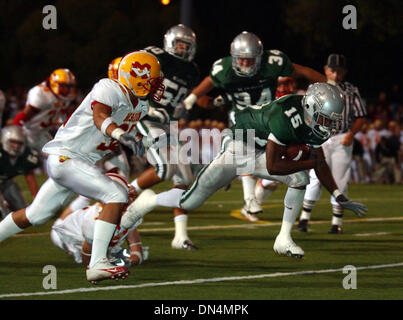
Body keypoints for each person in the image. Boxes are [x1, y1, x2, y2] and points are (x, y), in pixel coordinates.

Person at [123, 83, 367, 258]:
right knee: (191, 201)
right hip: (240, 145)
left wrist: (338, 195)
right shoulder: (286, 117)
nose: (329, 125)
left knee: (299, 178)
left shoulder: (308, 118)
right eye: (325, 119)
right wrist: (309, 162)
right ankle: (149, 200)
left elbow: (320, 161)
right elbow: (274, 165)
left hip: (260, 149)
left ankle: (283, 239)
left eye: (331, 120)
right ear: (312, 109)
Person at [0, 51, 164, 283]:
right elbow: (100, 116)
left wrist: (142, 142)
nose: (156, 86)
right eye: (153, 80)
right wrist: (120, 134)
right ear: (136, 76)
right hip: (68, 157)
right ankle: (97, 263)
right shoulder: (110, 87)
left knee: (35, 214)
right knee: (115, 194)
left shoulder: (141, 106)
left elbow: (129, 129)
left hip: (77, 162)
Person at [175, 31, 327, 223]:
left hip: (266, 118)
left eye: (250, 59)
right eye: (241, 59)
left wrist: (327, 85)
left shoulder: (272, 64)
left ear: (259, 57)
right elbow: (208, 83)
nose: (245, 64)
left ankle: (232, 181)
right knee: (244, 152)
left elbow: (303, 71)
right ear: (233, 58)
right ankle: (249, 199)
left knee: (268, 168)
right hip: (241, 120)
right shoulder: (225, 69)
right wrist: (189, 100)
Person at [130, 24, 200, 250]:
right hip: (147, 118)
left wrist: (213, 100)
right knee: (165, 169)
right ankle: (127, 193)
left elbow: (192, 96)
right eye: (179, 44)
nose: (182, 49)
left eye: (186, 46)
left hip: (169, 123)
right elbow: (130, 76)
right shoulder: (155, 57)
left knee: (185, 179)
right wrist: (146, 107)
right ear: (170, 42)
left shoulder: (191, 70)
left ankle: (180, 236)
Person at [297, 54, 367, 234]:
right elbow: (306, 112)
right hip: (320, 137)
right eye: (333, 70)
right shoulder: (316, 88)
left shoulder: (351, 90)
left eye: (340, 71)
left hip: (341, 137)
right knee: (315, 176)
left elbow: (360, 115)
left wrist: (352, 133)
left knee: (340, 178)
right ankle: (304, 218)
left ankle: (337, 222)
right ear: (326, 70)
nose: (336, 75)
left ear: (345, 72)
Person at [51, 172, 148, 268]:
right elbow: (87, 261)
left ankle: (84, 197)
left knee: (114, 254)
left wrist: (135, 257)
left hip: (88, 225)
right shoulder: (93, 221)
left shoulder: (125, 212)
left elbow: (136, 246)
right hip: (67, 236)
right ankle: (83, 197)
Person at [12, 69, 77, 163]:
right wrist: (16, 133)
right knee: (12, 160)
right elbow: (24, 116)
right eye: (64, 86)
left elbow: (63, 115)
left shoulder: (65, 97)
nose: (67, 90)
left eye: (69, 87)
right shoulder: (41, 94)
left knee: (58, 161)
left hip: (42, 133)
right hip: (27, 132)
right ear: (54, 84)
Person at [0, 125, 40, 219]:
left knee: (24, 212)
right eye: (13, 142)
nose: (16, 146)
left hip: (6, 183)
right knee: (3, 213)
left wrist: (37, 201)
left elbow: (30, 178)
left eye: (19, 143)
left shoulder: (25, 155)